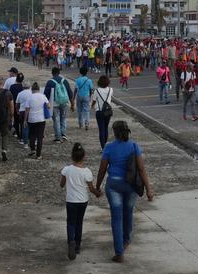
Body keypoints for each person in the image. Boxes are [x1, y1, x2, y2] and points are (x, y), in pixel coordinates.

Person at [95, 121, 155, 263]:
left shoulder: (109, 147)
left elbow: (102, 169)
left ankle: (119, 252)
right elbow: (141, 169)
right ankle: (126, 239)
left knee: (116, 218)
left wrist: (97, 186)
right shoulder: (134, 146)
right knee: (128, 212)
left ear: (114, 133)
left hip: (114, 185)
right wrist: (148, 189)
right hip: (131, 185)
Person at [60, 143, 100, 260]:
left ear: (72, 156)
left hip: (71, 200)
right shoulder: (87, 172)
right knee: (79, 222)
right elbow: (91, 188)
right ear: (84, 157)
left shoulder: (66, 170)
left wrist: (65, 181)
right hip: (83, 201)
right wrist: (98, 193)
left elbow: (61, 184)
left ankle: (70, 241)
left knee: (71, 222)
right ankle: (77, 245)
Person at [44, 67, 74, 143]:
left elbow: (46, 94)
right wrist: (72, 103)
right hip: (64, 102)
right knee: (63, 118)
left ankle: (58, 137)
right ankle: (63, 134)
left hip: (54, 103)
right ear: (59, 73)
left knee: (56, 120)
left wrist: (46, 104)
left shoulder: (50, 82)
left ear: (52, 73)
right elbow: (70, 93)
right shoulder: (65, 81)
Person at [24, 82, 49, 159]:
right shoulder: (43, 96)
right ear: (38, 89)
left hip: (31, 119)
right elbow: (49, 106)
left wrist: (25, 120)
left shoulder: (29, 97)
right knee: (40, 137)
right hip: (41, 119)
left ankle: (32, 150)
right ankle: (38, 155)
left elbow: (27, 110)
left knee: (31, 136)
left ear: (32, 89)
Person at [92, 75, 115, 148]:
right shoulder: (110, 90)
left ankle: (103, 147)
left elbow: (94, 100)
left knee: (101, 129)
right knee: (106, 128)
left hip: (99, 111)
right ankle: (105, 143)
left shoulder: (97, 90)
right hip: (107, 111)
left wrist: (92, 106)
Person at [73, 66, 94, 131]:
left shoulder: (77, 80)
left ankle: (80, 124)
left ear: (80, 72)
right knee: (86, 110)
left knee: (79, 110)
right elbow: (91, 90)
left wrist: (73, 98)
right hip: (86, 96)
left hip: (79, 96)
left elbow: (76, 89)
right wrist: (90, 96)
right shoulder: (89, 80)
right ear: (86, 72)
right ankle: (87, 124)